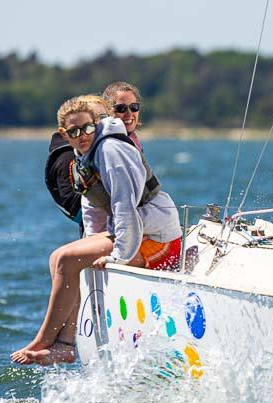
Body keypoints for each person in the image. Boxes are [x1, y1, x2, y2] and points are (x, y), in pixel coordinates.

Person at [11, 97, 182, 366]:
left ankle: (44, 340)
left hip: (158, 239)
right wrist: (90, 243)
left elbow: (125, 207)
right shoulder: (84, 154)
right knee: (59, 258)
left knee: (68, 260)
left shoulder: (110, 150)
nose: (83, 135)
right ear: (64, 134)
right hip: (137, 232)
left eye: (88, 128)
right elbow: (92, 208)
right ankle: (64, 346)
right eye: (75, 132)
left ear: (96, 124)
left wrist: (119, 257)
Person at [44, 94, 112, 236]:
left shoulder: (112, 148)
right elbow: (73, 207)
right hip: (100, 229)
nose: (100, 124)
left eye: (103, 118)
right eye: (96, 119)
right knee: (60, 258)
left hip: (121, 225)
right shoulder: (66, 157)